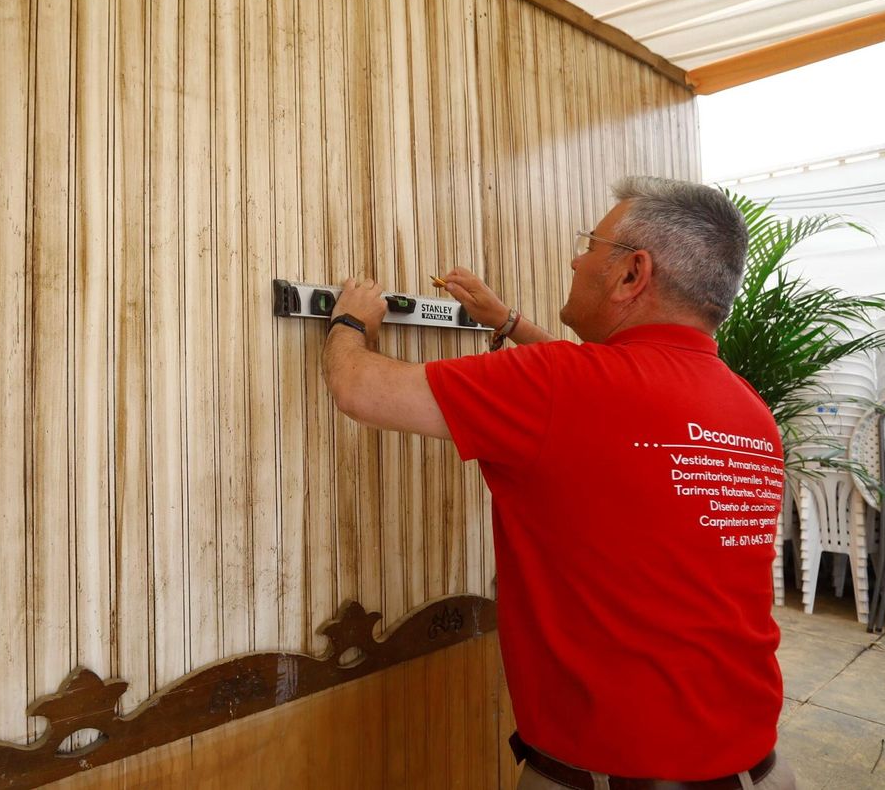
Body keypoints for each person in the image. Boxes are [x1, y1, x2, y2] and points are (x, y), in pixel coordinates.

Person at [322, 176, 792, 789]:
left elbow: (357, 388)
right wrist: (509, 321)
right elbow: (599, 405)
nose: (576, 258)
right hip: (756, 769)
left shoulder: (560, 387)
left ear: (632, 274)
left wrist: (350, 322)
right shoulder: (746, 410)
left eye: (590, 243)